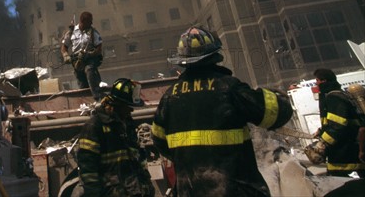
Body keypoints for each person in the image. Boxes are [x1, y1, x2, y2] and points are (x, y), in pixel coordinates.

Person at [151, 26, 292, 197]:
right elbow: (275, 114)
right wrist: (277, 98)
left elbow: (159, 140)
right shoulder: (228, 87)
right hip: (233, 190)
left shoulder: (169, 97)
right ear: (214, 55)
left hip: (190, 191)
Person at [76, 78, 155, 196]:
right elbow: (87, 168)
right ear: (117, 104)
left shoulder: (127, 124)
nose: (131, 110)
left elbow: (138, 157)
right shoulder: (94, 127)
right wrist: (93, 193)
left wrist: (146, 184)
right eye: (128, 106)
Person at [305, 68, 365, 177]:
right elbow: (334, 122)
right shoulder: (341, 95)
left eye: (317, 81)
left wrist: (323, 143)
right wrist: (321, 131)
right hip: (351, 148)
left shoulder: (333, 97)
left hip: (343, 150)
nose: (316, 84)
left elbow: (338, 125)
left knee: (339, 183)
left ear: (324, 81)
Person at [61, 11, 103, 101]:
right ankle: (86, 102)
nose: (91, 23)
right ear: (83, 21)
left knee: (89, 70)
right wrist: (66, 56)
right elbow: (64, 47)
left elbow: (99, 49)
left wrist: (89, 54)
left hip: (89, 58)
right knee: (82, 83)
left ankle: (97, 96)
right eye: (89, 21)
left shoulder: (93, 32)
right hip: (77, 61)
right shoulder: (71, 32)